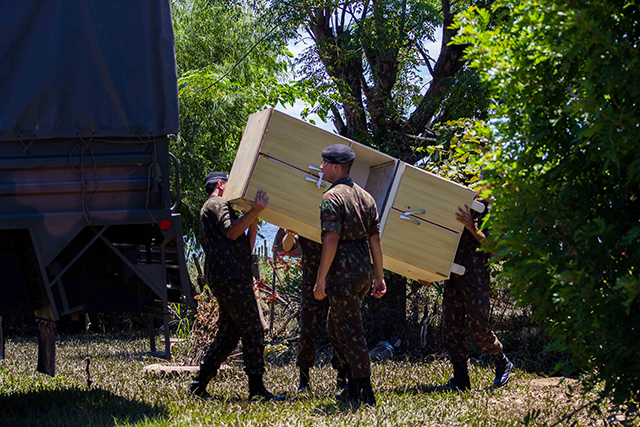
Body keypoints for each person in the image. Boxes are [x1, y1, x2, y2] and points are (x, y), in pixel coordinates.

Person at [188, 172, 284, 401]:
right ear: (221, 184)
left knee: (229, 336)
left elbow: (246, 245)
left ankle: (198, 386)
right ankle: (256, 390)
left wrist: (253, 217)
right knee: (253, 330)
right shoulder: (216, 204)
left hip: (231, 276)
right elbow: (232, 232)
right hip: (229, 278)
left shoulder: (224, 209)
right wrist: (254, 211)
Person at [314, 144, 387, 406]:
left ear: (336, 166)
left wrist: (320, 278)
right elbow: (375, 240)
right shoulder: (366, 197)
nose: (321, 167)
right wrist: (379, 276)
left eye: (324, 163)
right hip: (362, 272)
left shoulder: (331, 197)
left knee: (351, 332)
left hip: (342, 273)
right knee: (335, 328)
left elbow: (331, 239)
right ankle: (350, 383)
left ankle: (365, 391)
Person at [426, 183, 514, 391]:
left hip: (475, 275)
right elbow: (443, 240)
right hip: (453, 272)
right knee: (451, 327)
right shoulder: (462, 203)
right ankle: (461, 378)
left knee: (478, 325)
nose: (482, 187)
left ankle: (502, 362)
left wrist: (472, 228)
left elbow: (496, 249)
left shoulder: (495, 212)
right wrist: (429, 272)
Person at [279, 229, 347, 393]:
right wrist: (290, 233)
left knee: (339, 329)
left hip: (336, 280)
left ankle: (342, 377)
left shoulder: (334, 216)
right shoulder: (304, 215)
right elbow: (287, 247)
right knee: (307, 330)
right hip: (311, 282)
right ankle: (304, 379)